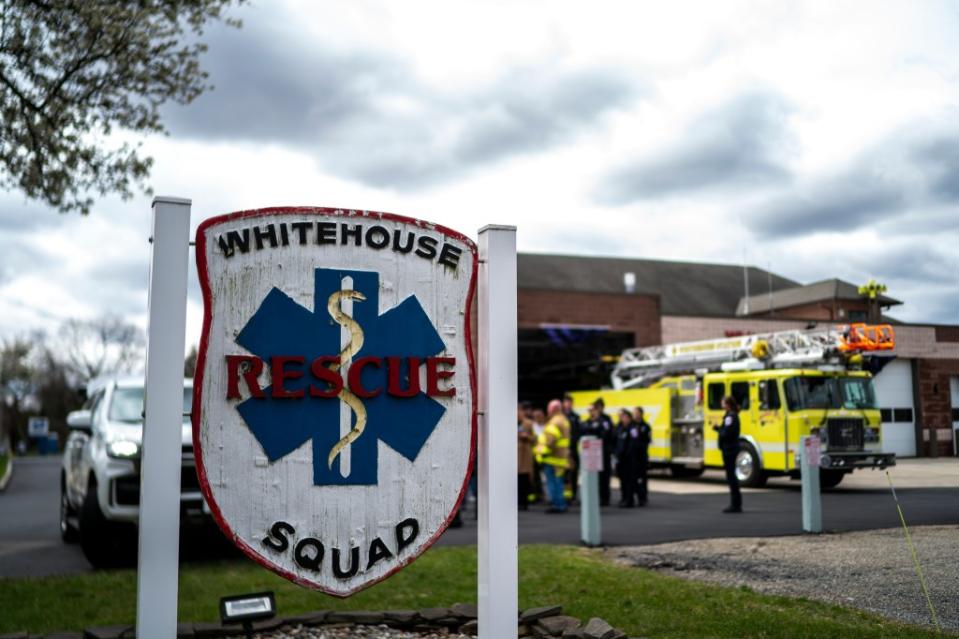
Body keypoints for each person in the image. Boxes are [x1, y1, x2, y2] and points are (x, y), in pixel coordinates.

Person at [534, 399, 571, 513]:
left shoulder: (554, 422)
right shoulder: (564, 421)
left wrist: (541, 452)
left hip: (552, 458)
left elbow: (549, 440)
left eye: (549, 409)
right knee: (559, 482)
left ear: (553, 409)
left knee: (552, 482)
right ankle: (561, 504)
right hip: (561, 458)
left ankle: (557, 504)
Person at [579, 398, 614, 506]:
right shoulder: (587, 422)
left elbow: (607, 434)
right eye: (590, 410)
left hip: (603, 453)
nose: (591, 412)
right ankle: (593, 497)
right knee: (592, 476)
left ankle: (604, 498)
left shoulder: (605, 420)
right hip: (591, 454)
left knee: (604, 477)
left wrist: (595, 427)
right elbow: (582, 431)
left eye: (593, 410)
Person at [714, 395, 743, 513]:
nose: (721, 403)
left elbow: (726, 433)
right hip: (732, 448)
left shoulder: (730, 417)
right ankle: (736, 503)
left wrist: (718, 429)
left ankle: (735, 504)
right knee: (732, 476)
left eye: (723, 402)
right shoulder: (732, 415)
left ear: (727, 404)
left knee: (731, 477)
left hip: (729, 449)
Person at [614, 409, 639, 507]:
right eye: (622, 417)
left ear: (629, 418)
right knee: (622, 480)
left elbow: (634, 443)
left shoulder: (633, 429)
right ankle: (623, 498)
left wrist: (626, 454)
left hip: (629, 460)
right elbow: (615, 442)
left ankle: (629, 500)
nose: (623, 419)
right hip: (620, 459)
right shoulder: (620, 428)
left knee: (629, 481)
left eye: (625, 417)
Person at [562, 394, 582, 503]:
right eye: (566, 402)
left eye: (570, 402)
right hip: (562, 450)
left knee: (573, 473)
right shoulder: (560, 416)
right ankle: (565, 495)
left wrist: (572, 445)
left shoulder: (576, 417)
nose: (568, 404)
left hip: (573, 449)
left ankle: (573, 495)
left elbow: (578, 433)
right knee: (564, 474)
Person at [517, 403, 536, 510]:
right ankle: (517, 501)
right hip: (515, 456)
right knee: (515, 480)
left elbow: (535, 439)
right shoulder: (509, 422)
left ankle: (524, 502)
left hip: (525, 455)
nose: (517, 413)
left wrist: (527, 436)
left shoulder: (529, 424)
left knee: (524, 479)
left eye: (519, 411)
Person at [633, 406, 652, 506]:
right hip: (633, 457)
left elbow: (647, 441)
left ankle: (643, 497)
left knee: (643, 478)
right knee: (634, 478)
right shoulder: (632, 426)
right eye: (634, 413)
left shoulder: (646, 426)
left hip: (642, 456)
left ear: (641, 413)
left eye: (636, 412)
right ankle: (637, 496)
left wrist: (638, 446)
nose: (635, 414)